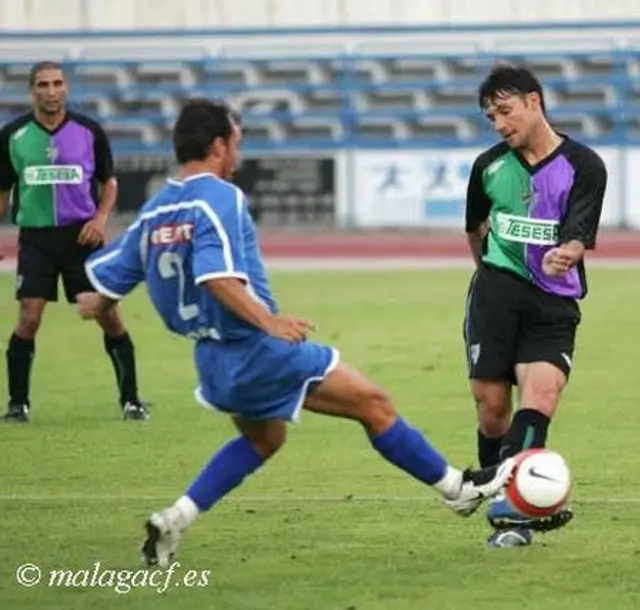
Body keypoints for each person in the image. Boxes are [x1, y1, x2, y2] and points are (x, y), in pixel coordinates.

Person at [76, 98, 515, 567]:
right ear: (219, 144)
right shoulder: (220, 196)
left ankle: (175, 519)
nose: (238, 155)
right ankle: (458, 490)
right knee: (375, 404)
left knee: (265, 439)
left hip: (211, 361)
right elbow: (214, 276)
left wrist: (100, 301)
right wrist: (270, 322)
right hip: (255, 347)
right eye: (236, 143)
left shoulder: (157, 209)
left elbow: (104, 284)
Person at [463, 65, 607, 548]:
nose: (499, 124)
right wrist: (490, 276)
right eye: (490, 117)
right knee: (492, 410)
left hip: (554, 301)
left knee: (540, 397)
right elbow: (474, 229)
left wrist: (569, 251)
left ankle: (514, 516)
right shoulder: (488, 166)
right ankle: (497, 481)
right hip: (496, 294)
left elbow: (579, 231)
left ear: (534, 102)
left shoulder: (584, 165)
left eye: (504, 111)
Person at [0, 61, 148, 422]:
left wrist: (99, 219)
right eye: (43, 84)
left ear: (66, 88)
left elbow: (109, 183)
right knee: (28, 319)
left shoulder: (89, 131)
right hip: (36, 239)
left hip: (81, 239)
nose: (51, 91)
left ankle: (131, 401)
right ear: (32, 90)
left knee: (108, 316)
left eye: (57, 83)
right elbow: (4, 190)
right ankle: (18, 404)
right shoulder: (12, 135)